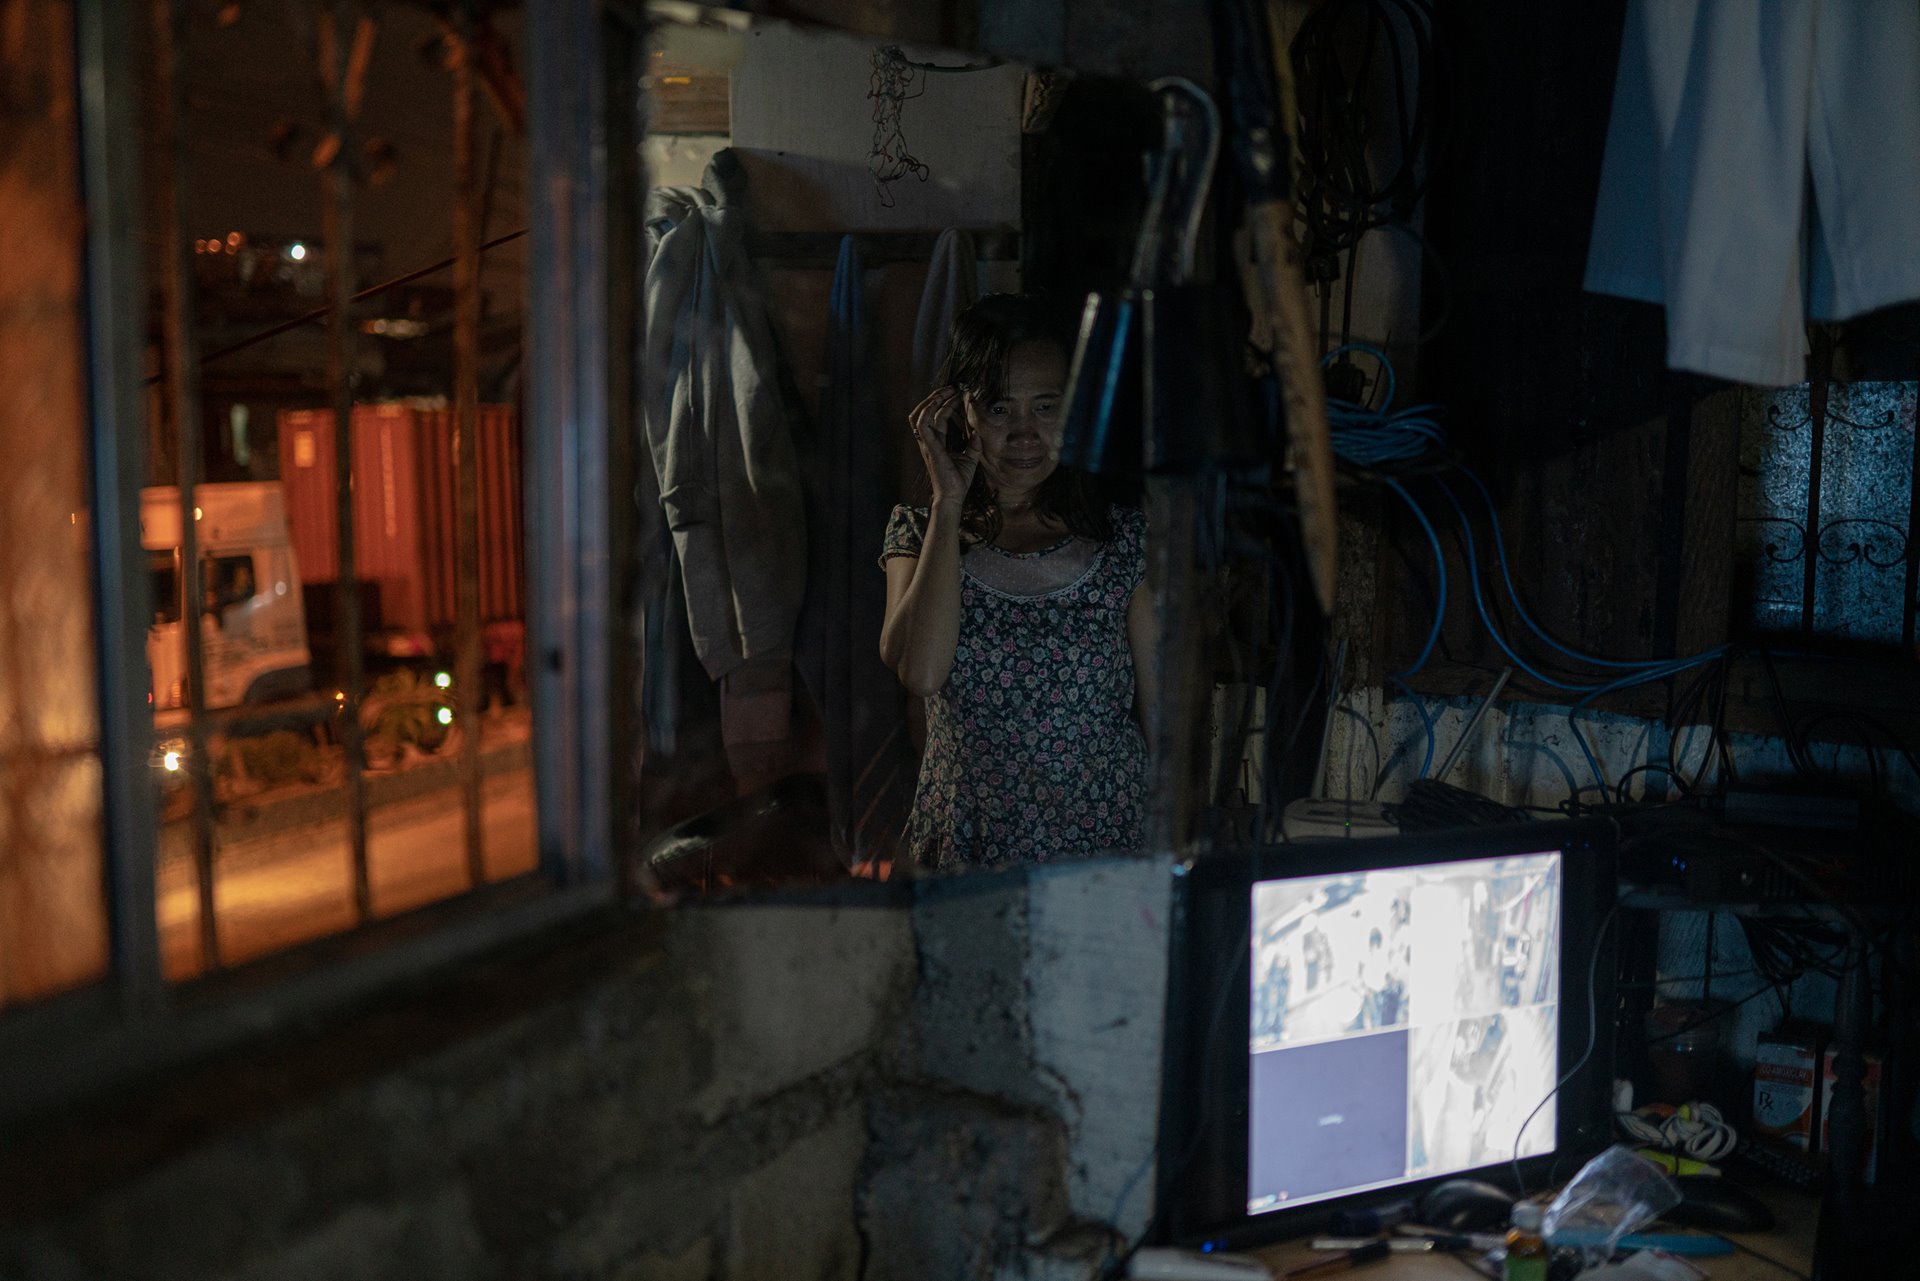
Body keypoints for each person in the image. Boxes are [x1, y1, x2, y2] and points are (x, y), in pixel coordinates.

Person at [879, 294, 1155, 872]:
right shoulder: (922, 533)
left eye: (1047, 407)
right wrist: (948, 504)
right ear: (962, 413)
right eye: (1001, 409)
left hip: (1101, 848)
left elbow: (1166, 719)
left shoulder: (1123, 541)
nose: (1026, 435)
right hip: (970, 851)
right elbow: (922, 671)